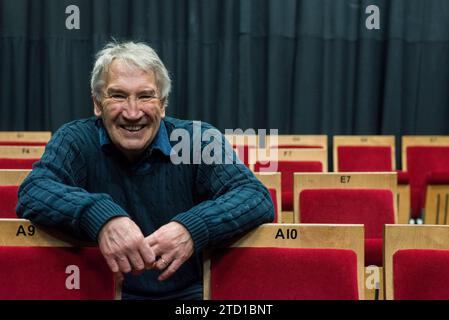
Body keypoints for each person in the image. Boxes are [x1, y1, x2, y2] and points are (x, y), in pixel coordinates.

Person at [16, 41, 274, 300]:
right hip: (102, 293)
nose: (132, 112)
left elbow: (255, 196)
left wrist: (192, 228)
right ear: (97, 103)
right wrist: (101, 217)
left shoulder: (197, 139)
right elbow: (34, 189)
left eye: (145, 96)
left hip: (190, 298)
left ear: (162, 104)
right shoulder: (76, 139)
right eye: (118, 95)